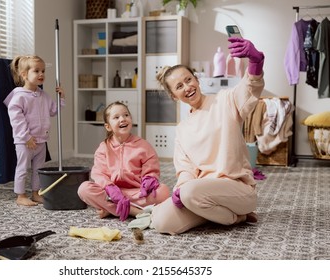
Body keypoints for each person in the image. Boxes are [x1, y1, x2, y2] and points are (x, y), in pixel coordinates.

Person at [150, 37, 265, 235]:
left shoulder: (225, 100)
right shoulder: (182, 129)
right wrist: (181, 189)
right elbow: (185, 170)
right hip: (200, 193)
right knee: (161, 221)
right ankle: (221, 214)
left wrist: (256, 61)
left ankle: (234, 216)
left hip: (236, 189)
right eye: (179, 86)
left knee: (190, 192)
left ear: (196, 79)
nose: (187, 87)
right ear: (173, 96)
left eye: (188, 80)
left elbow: (250, 88)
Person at [78, 101, 170, 221]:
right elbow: (99, 173)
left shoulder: (143, 145)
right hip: (112, 194)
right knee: (84, 189)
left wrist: (149, 180)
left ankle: (112, 209)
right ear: (108, 126)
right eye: (116, 117)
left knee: (163, 191)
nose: (123, 119)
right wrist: (111, 189)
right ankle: (133, 211)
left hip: (136, 193)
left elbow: (151, 166)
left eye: (126, 115)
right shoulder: (103, 148)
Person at [3, 55, 65, 206]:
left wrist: (61, 98)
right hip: (25, 141)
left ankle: (36, 193)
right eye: (36, 71)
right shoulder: (19, 97)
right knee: (22, 168)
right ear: (24, 74)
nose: (41, 74)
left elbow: (54, 111)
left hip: (41, 140)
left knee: (39, 169)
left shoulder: (44, 95)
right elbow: (16, 120)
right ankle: (20, 195)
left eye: (43, 71)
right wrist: (26, 137)